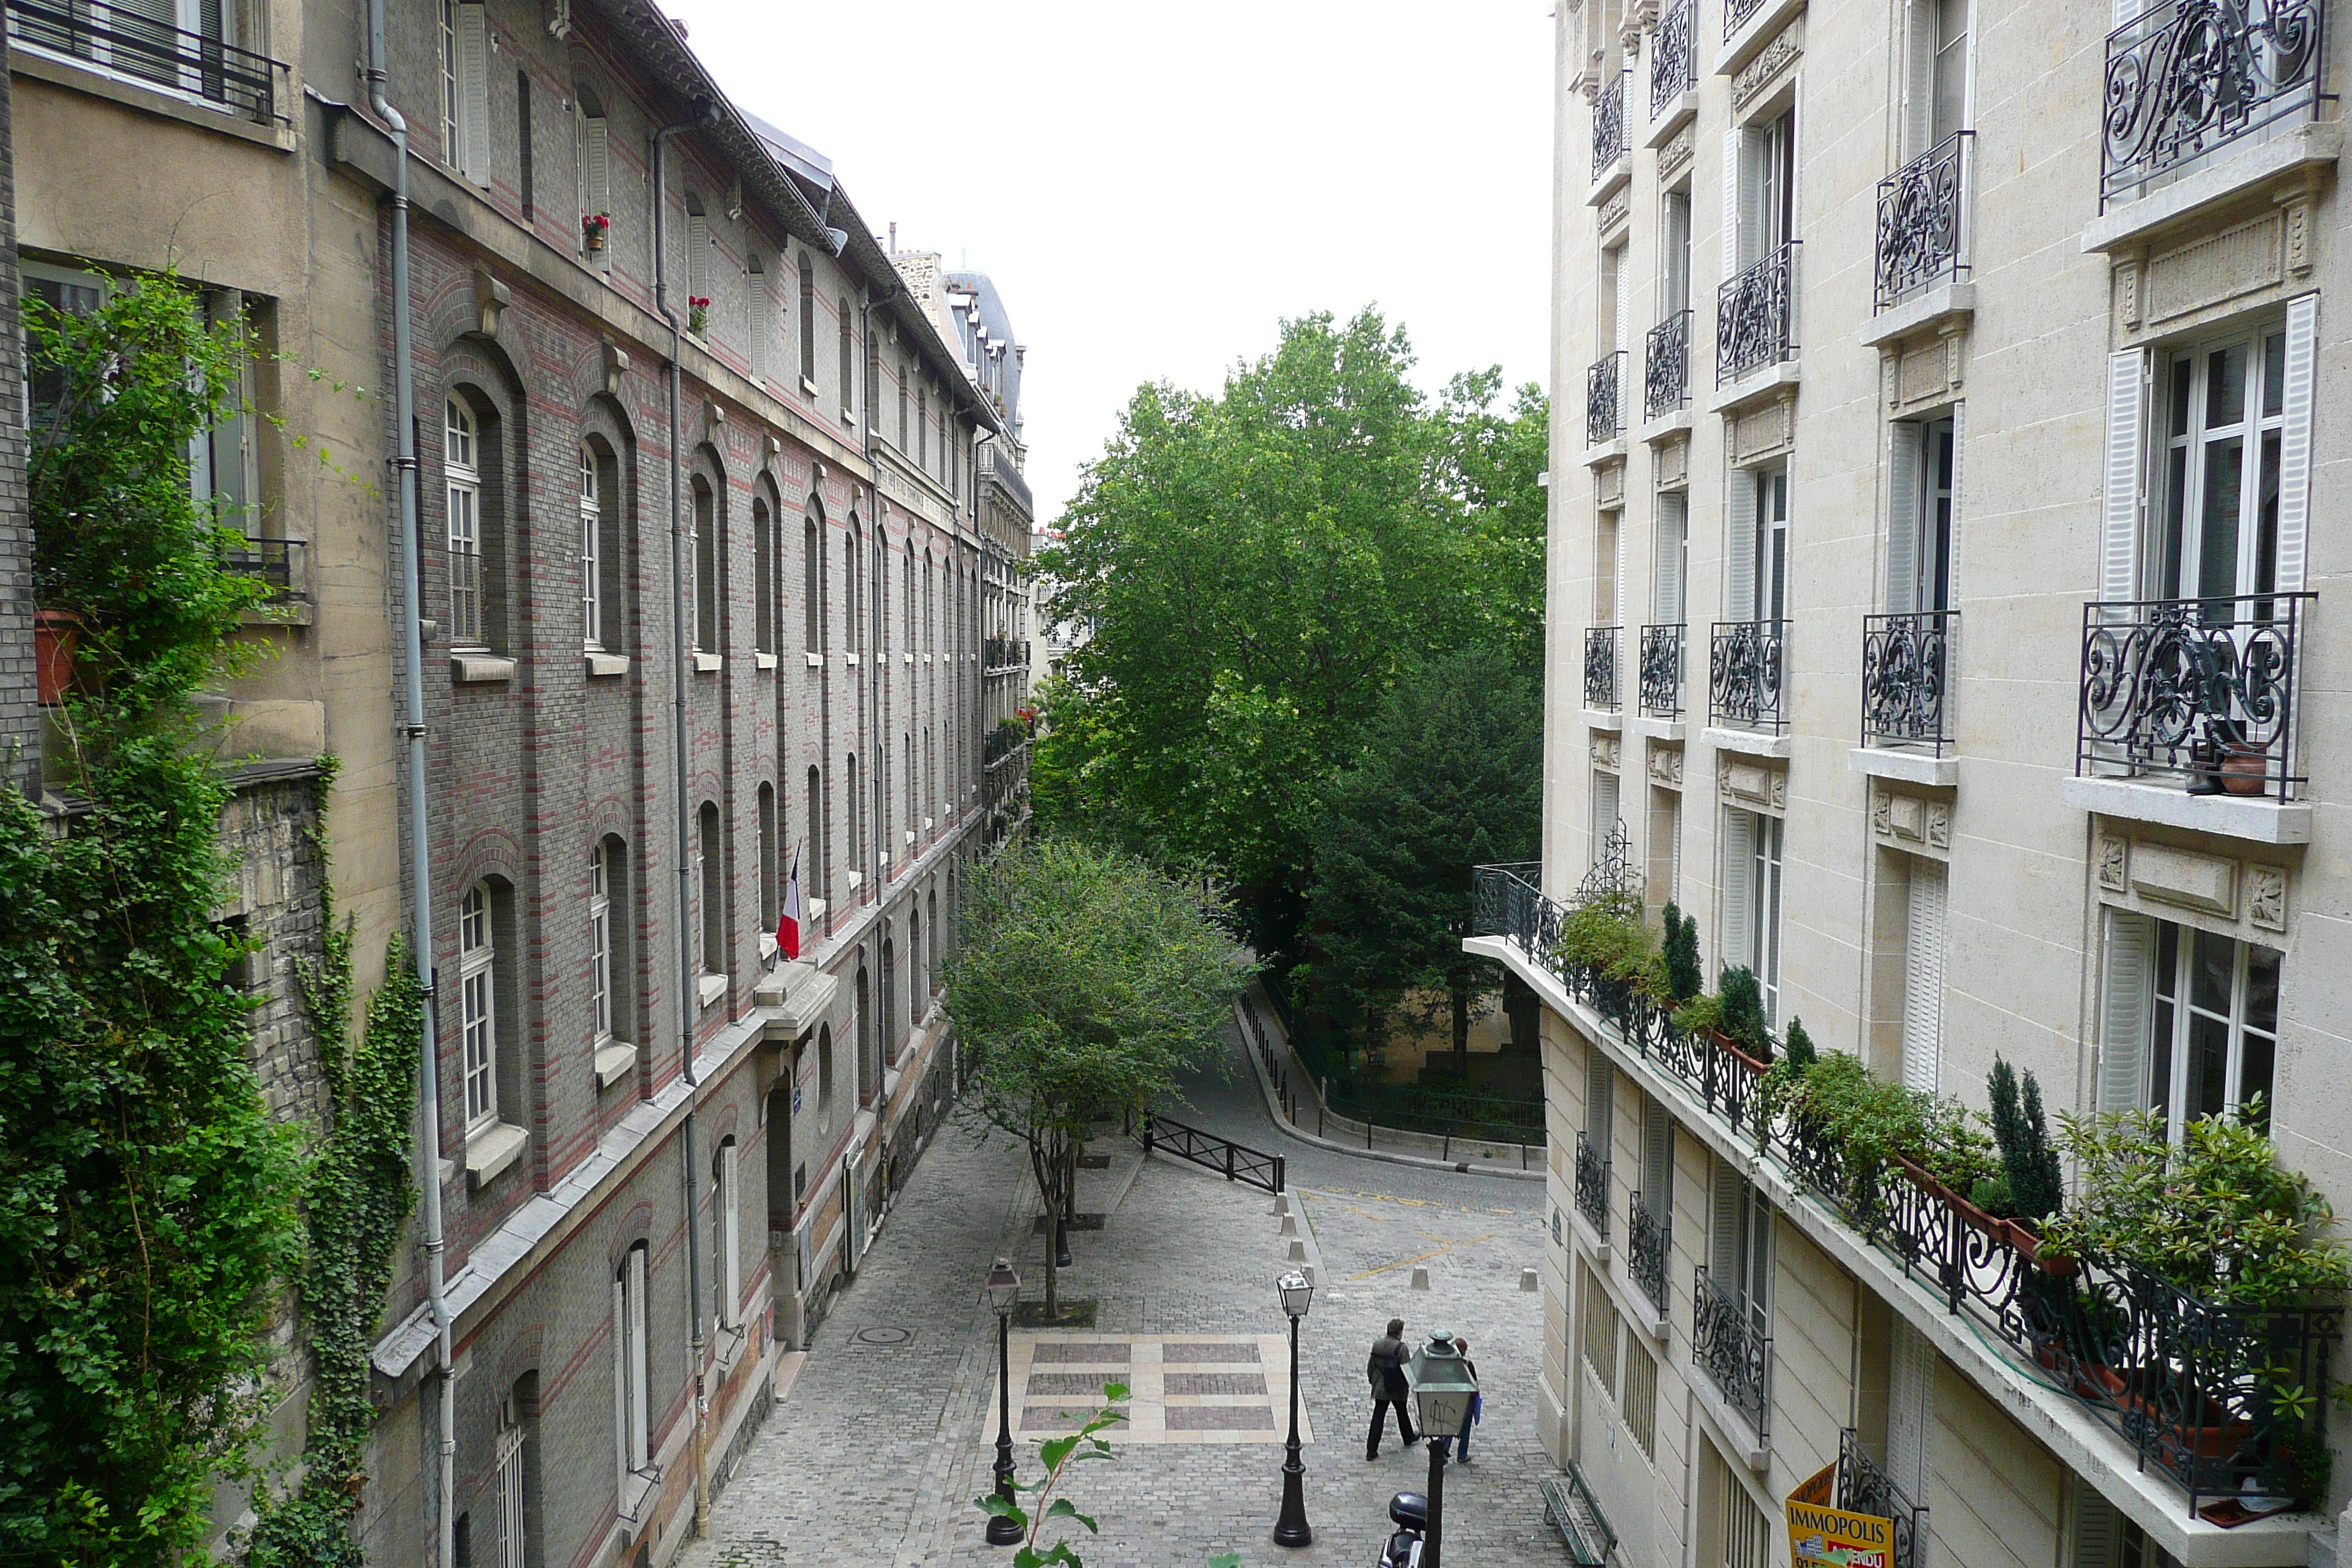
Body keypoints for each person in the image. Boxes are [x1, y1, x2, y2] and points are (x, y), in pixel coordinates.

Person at [1365, 1318, 1417, 1459]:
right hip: (1397, 1387)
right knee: (1402, 1412)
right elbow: (1406, 1370)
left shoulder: (1377, 1344)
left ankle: (1371, 1450)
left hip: (1381, 1387)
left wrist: (1373, 1382)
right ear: (1399, 1333)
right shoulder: (1401, 1348)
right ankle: (1408, 1437)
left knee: (1378, 1416)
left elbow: (1371, 1367)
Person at [1441, 1338, 1481, 1462]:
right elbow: (1475, 1384)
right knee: (1465, 1428)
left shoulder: (1447, 1365)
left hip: (1451, 1401)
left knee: (1449, 1426)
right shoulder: (1468, 1365)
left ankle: (1444, 1448)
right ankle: (1462, 1454)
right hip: (1466, 1401)